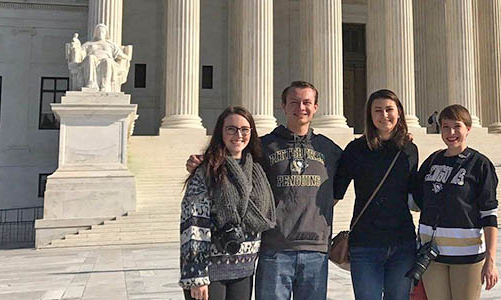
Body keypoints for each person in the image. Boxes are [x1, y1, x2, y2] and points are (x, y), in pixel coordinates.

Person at [186, 81, 343, 300]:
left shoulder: (330, 150)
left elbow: (336, 192)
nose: (301, 108)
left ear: (316, 107)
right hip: (275, 248)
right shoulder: (264, 146)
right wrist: (205, 162)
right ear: (283, 106)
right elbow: (235, 161)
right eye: (294, 102)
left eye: (307, 102)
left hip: (315, 248)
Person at [179, 106, 277, 300]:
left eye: (244, 129)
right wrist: (197, 276)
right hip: (210, 271)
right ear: (220, 133)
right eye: (231, 129)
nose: (238, 135)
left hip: (244, 269)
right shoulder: (207, 171)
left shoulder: (257, 170)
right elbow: (193, 224)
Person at [334, 89, 419, 300]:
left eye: (389, 109)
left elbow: (415, 192)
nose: (384, 115)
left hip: (402, 242)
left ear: (399, 112)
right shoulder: (355, 149)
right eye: (378, 110)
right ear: (370, 116)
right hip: (365, 243)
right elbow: (336, 192)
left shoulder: (409, 149)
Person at [414, 104, 499, 300]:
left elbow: (489, 215)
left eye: (457, 126)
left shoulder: (480, 164)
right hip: (431, 255)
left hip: (466, 257)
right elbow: (415, 199)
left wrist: (490, 260)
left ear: (468, 128)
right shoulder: (432, 161)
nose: (451, 132)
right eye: (445, 127)